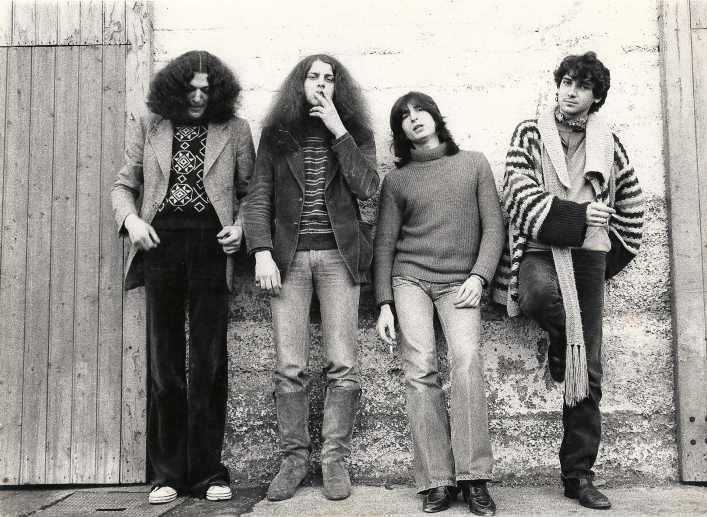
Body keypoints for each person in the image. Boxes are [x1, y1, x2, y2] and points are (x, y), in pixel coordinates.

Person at [492, 51, 645, 510]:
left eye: (582, 86)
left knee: (589, 370)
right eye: (566, 82)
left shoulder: (609, 143)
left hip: (590, 254)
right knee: (538, 296)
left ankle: (578, 475)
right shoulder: (530, 133)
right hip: (542, 246)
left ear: (596, 96)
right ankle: (564, 343)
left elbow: (631, 203)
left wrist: (607, 242)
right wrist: (577, 216)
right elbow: (516, 192)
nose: (571, 92)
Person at [110, 50, 255, 504]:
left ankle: (209, 473)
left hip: (213, 247)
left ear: (218, 92)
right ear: (175, 89)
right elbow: (124, 185)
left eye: (205, 90)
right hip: (161, 244)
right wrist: (131, 221)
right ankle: (167, 473)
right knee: (165, 363)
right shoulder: (150, 125)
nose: (197, 97)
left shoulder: (235, 129)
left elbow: (252, 192)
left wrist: (241, 227)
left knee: (209, 362)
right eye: (190, 89)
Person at [242, 54, 378, 502]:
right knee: (289, 365)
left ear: (339, 87)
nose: (321, 83)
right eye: (313, 76)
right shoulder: (277, 134)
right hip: (289, 259)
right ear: (298, 83)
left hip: (341, 257)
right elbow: (259, 196)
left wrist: (339, 130)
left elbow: (368, 188)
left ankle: (334, 459)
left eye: (329, 78)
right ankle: (294, 460)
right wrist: (261, 251)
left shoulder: (355, 132)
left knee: (343, 363)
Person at [374, 92, 504, 515]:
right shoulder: (397, 181)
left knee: (466, 361)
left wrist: (479, 277)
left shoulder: (474, 164)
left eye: (420, 111)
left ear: (435, 116)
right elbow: (384, 244)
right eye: (404, 117)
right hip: (409, 278)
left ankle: (474, 477)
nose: (414, 119)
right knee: (420, 369)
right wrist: (384, 303)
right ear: (400, 131)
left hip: (460, 283)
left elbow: (494, 228)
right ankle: (436, 481)